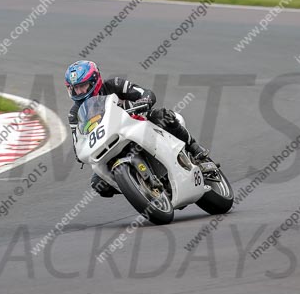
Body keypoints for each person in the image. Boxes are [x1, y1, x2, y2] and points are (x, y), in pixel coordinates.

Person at [65, 60, 211, 197]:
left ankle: (195, 149)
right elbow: (77, 141)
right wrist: (80, 153)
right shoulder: (74, 114)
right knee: (98, 183)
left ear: (94, 82)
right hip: (108, 143)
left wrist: (144, 100)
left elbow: (145, 93)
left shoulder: (113, 85)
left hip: (138, 122)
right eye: (75, 88)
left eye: (82, 86)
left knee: (163, 116)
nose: (79, 92)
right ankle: (136, 185)